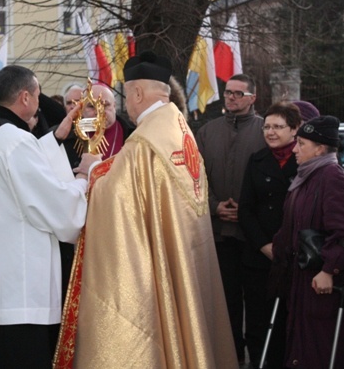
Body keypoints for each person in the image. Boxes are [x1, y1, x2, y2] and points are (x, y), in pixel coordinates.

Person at [55, 51, 237, 368]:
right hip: (183, 252)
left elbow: (116, 195)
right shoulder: (178, 129)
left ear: (138, 92)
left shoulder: (145, 141)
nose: (128, 104)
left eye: (127, 95)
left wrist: (90, 170)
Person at [0, 65, 100, 368]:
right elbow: (55, 205)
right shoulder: (15, 142)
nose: (39, 101)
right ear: (25, 97)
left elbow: (19, 168)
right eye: (38, 95)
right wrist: (85, 177)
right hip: (18, 288)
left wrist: (57, 137)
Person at [272, 115, 344, 369]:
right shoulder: (307, 177)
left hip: (323, 286)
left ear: (320, 149)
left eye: (301, 144)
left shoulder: (332, 178)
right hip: (302, 280)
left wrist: (329, 270)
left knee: (320, 351)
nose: (294, 149)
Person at [195, 73, 266, 365]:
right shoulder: (207, 132)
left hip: (255, 238)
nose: (231, 98)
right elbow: (193, 179)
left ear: (252, 98)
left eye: (238, 93)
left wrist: (247, 211)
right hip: (218, 235)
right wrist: (214, 207)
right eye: (227, 93)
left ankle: (259, 360)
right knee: (226, 308)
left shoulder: (267, 130)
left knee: (258, 308)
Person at [238, 102, 302, 368]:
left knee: (290, 321)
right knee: (257, 321)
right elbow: (246, 210)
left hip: (294, 257)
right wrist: (264, 245)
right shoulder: (257, 160)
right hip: (259, 256)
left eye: (278, 127)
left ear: (295, 130)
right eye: (267, 126)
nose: (271, 132)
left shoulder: (305, 161)